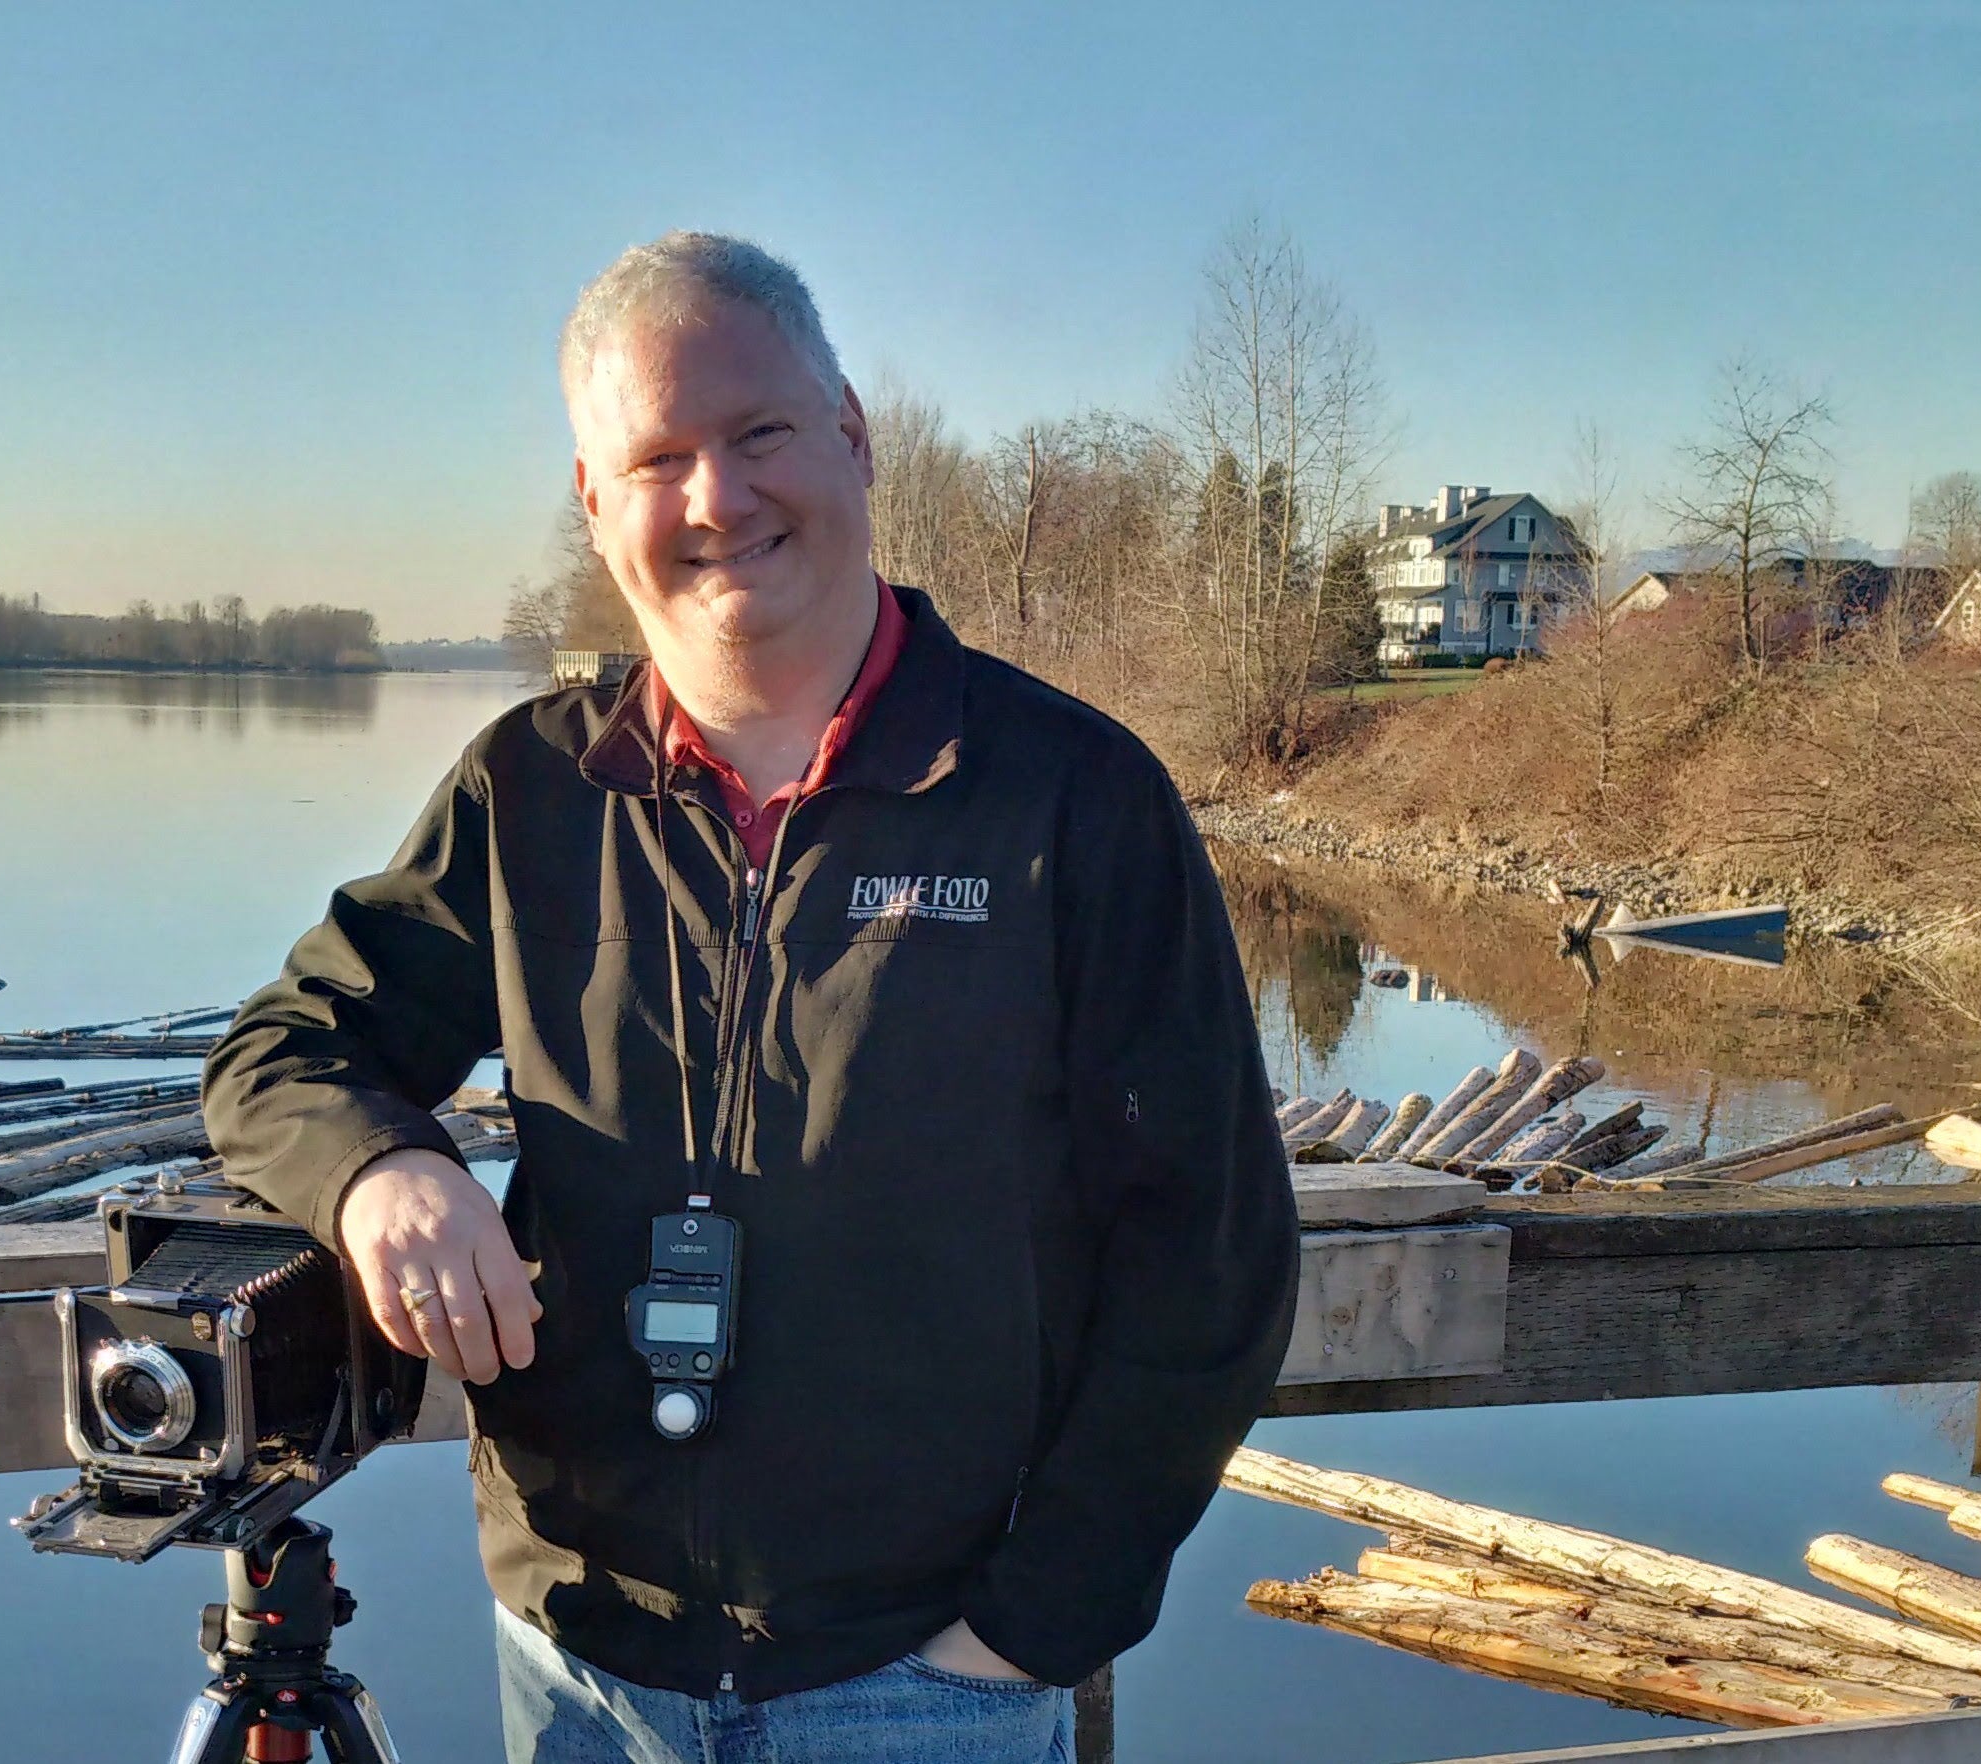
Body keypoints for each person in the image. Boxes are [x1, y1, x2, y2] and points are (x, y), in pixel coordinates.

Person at [203, 232, 1297, 1764]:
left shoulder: (1066, 798)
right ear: (597, 508)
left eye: (759, 433)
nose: (715, 499)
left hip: (927, 1687)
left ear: (851, 435)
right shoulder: (533, 790)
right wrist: (381, 1173)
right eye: (656, 459)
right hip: (583, 1669)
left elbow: (1216, 1254)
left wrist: (1033, 1627)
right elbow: (280, 1050)